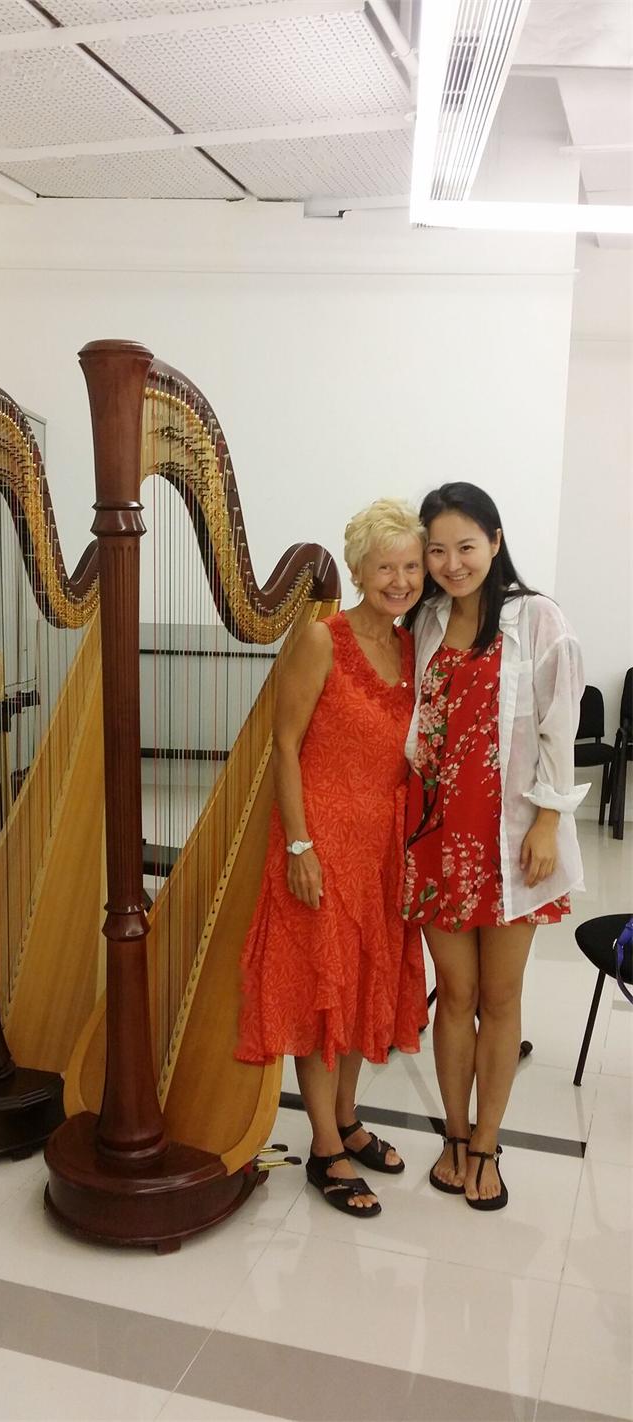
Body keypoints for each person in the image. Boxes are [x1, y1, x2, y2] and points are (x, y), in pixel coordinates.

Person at [236, 499, 429, 1217]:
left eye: (411, 567)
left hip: (382, 848)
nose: (400, 580)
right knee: (323, 991)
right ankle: (324, 1147)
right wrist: (299, 845)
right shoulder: (322, 639)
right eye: (386, 567)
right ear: (357, 570)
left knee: (359, 985)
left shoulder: (411, 649)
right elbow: (283, 744)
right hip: (319, 841)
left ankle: (347, 1119)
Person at [404, 482, 588, 1211]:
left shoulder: (537, 618)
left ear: (496, 542)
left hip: (511, 842)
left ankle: (486, 1143)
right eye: (437, 550)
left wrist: (547, 821)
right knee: (455, 995)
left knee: (501, 997)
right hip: (436, 839)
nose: (452, 564)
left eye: (466, 547)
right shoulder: (425, 621)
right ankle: (453, 1135)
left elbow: (558, 727)